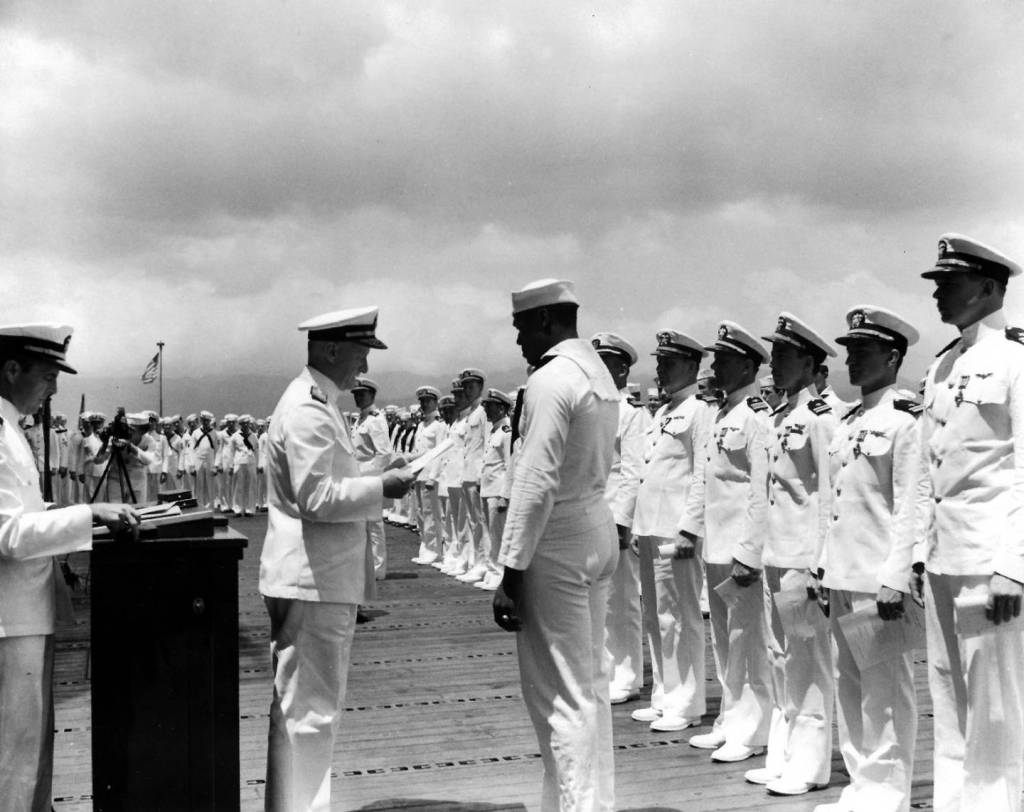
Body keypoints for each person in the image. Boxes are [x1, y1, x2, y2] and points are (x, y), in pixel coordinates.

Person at [260, 306, 414, 812]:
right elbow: (316, 497)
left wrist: (373, 468)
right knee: (310, 713)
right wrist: (382, 488)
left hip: (313, 577)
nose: (365, 363)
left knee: (301, 709)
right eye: (360, 350)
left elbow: (326, 476)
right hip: (314, 579)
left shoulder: (316, 401)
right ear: (330, 350)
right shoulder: (308, 408)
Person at [0, 323, 140, 811]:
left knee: (30, 753)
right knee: (12, 761)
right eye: (47, 375)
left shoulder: (11, 427)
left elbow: (26, 516)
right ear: (11, 368)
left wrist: (77, 517)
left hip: (26, 614)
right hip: (9, 622)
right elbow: (10, 535)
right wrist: (88, 513)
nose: (54, 388)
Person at [493, 278, 620, 811]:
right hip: (595, 529)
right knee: (588, 688)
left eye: (523, 327)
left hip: (558, 544)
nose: (520, 340)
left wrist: (511, 573)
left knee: (559, 698)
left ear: (546, 321)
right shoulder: (598, 373)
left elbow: (535, 481)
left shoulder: (550, 381)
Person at [916, 234, 1024, 812]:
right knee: (949, 694)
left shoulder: (1015, 359)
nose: (938, 294)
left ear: (986, 287)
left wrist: (1014, 565)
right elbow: (929, 472)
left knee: (996, 706)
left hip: (989, 560)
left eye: (948, 283)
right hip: (942, 556)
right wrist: (915, 553)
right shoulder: (942, 365)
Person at [814, 305, 921, 812]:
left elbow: (910, 505)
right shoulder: (848, 421)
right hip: (841, 572)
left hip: (877, 576)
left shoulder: (905, 422)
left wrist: (896, 576)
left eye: (863, 351)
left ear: (893, 356)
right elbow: (832, 500)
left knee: (885, 690)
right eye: (850, 351)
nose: (851, 360)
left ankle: (888, 793)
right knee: (850, 685)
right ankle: (861, 786)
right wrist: (820, 566)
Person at [736, 311, 839, 796]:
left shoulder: (820, 420)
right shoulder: (781, 418)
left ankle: (812, 763)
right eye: (773, 354)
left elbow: (828, 496)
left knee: (809, 661)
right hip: (776, 556)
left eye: (783, 355)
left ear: (809, 361)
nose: (773, 363)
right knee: (779, 657)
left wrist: (821, 563)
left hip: (802, 559)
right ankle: (784, 754)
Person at [678, 321, 775, 763]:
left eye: (723, 360)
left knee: (749, 640)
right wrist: (691, 530)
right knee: (724, 639)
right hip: (715, 545)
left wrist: (749, 552)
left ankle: (754, 730)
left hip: (740, 551)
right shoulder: (721, 414)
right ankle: (730, 719)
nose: (714, 366)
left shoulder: (757, 417)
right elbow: (704, 479)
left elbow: (760, 490)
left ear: (747, 365)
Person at [629, 329, 712, 733]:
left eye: (668, 362)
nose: (660, 369)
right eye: (659, 362)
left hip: (674, 530)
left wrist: (690, 529)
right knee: (655, 615)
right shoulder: (661, 414)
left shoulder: (700, 411)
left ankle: (687, 701)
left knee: (679, 616)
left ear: (693, 367)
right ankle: (664, 694)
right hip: (649, 526)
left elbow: (701, 474)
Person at [591, 331, 649, 705]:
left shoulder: (632, 414)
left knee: (622, 598)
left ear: (622, 369)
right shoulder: (593, 411)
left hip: (614, 518)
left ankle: (627, 674)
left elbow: (632, 471)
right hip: (590, 516)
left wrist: (622, 521)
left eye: (605, 364)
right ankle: (604, 669)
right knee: (597, 598)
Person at [351, 377, 395, 580]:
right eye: (356, 394)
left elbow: (384, 453)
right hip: (358, 479)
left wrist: (368, 475)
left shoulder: (376, 419)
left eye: (362, 394)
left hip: (370, 479)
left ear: (372, 395)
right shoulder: (360, 420)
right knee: (362, 524)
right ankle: (366, 564)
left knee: (374, 524)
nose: (358, 397)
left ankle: (378, 568)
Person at [476, 387, 513, 591]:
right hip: (487, 490)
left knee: (498, 535)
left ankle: (499, 573)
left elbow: (509, 465)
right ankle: (491, 570)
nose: (487, 411)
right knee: (488, 533)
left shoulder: (506, 432)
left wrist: (504, 496)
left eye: (490, 407)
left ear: (501, 408)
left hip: (498, 491)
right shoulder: (494, 431)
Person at [410, 385, 448, 566]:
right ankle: (425, 547)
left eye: (427, 401)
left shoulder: (439, 425)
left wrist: (433, 477)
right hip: (418, 476)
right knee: (420, 514)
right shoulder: (421, 425)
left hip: (430, 477)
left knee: (432, 515)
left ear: (435, 402)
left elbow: (440, 453)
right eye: (422, 401)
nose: (424, 404)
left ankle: (434, 550)